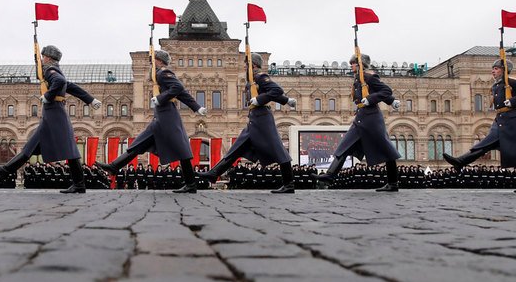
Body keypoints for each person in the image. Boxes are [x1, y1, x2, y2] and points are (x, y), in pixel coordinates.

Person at [0, 45, 101, 193]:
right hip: (52, 114)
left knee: (70, 150)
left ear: (48, 58)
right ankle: (6, 169)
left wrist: (48, 96)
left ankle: (79, 184)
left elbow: (60, 82)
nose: (41, 60)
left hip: (55, 114)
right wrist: (91, 100)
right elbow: (70, 86)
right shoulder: (54, 71)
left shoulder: (50, 71)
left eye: (43, 57)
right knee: (30, 146)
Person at [95, 50, 207, 193]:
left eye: (152, 60)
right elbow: (179, 91)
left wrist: (160, 98)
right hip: (162, 117)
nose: (151, 63)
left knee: (181, 149)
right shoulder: (158, 74)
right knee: (139, 143)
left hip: (167, 117)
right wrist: (197, 107)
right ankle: (114, 166)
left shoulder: (162, 73)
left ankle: (191, 184)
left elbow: (178, 88)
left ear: (158, 61)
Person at [199, 53, 297, 193]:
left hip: (263, 119)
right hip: (254, 119)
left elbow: (276, 90)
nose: (244, 66)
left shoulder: (260, 77)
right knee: (235, 149)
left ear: (253, 65)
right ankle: (214, 173)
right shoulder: (251, 80)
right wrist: (286, 100)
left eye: (247, 64)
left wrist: (259, 100)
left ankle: (289, 184)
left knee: (279, 150)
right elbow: (270, 93)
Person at [443, 59, 516, 193]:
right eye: (493, 68)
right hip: (501, 120)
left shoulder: (512, 82)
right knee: (485, 144)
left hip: (513, 122)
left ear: (504, 70)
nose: (493, 71)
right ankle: (460, 161)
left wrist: (514, 102)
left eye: (496, 68)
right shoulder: (497, 85)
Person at [316, 54, 401, 191]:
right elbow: (372, 92)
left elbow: (386, 90)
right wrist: (390, 101)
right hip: (361, 118)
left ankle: (393, 183)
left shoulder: (369, 77)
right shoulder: (358, 79)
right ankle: (330, 175)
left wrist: (374, 99)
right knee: (344, 145)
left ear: (361, 64)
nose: (351, 66)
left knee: (387, 151)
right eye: (351, 64)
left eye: (353, 63)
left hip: (372, 119)